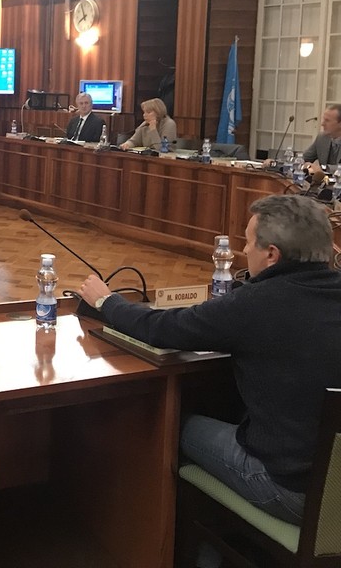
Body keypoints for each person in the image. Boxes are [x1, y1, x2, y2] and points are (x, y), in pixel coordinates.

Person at [78, 194, 341, 526]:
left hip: (292, 492)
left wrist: (107, 302)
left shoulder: (256, 303)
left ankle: (190, 546)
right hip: (333, 484)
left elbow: (161, 329)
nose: (243, 250)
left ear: (272, 254)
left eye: (248, 243)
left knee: (166, 423)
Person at [302, 104, 341, 174]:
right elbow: (304, 159)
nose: (322, 124)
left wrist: (323, 168)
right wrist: (305, 165)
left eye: (327, 120)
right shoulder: (322, 138)